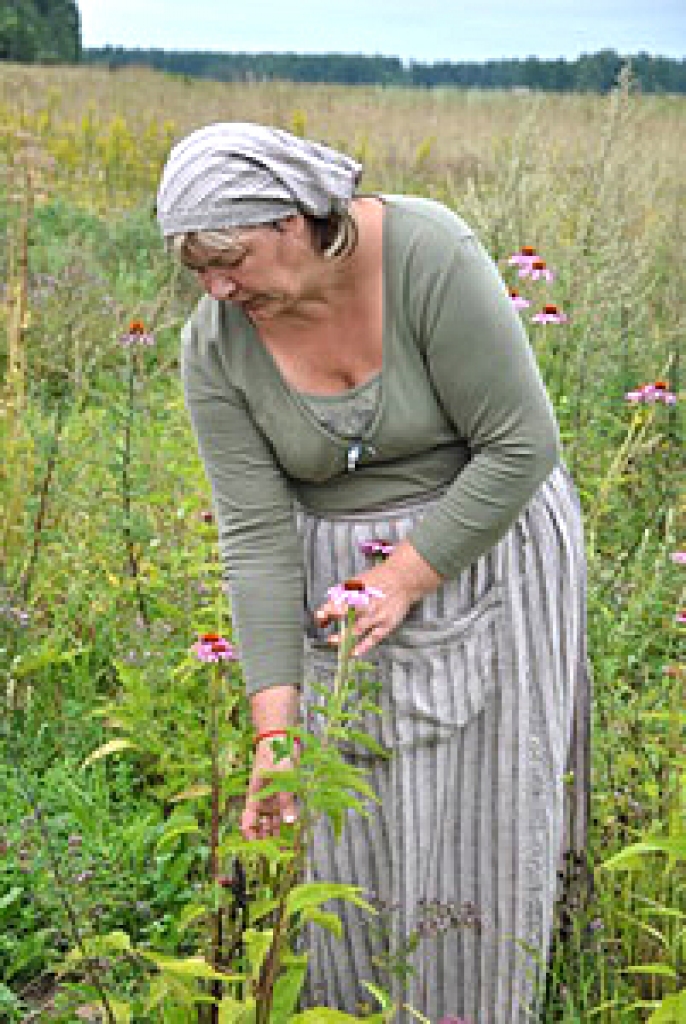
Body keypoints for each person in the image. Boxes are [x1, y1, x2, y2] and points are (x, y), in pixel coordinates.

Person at [156, 122, 590, 1024]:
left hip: (485, 550)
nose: (217, 287)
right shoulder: (216, 346)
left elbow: (520, 445)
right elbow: (253, 534)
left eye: (229, 258)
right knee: (350, 844)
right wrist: (274, 734)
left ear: (298, 220)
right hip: (337, 587)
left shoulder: (428, 252)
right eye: (196, 269)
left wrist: (404, 576)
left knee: (489, 828)